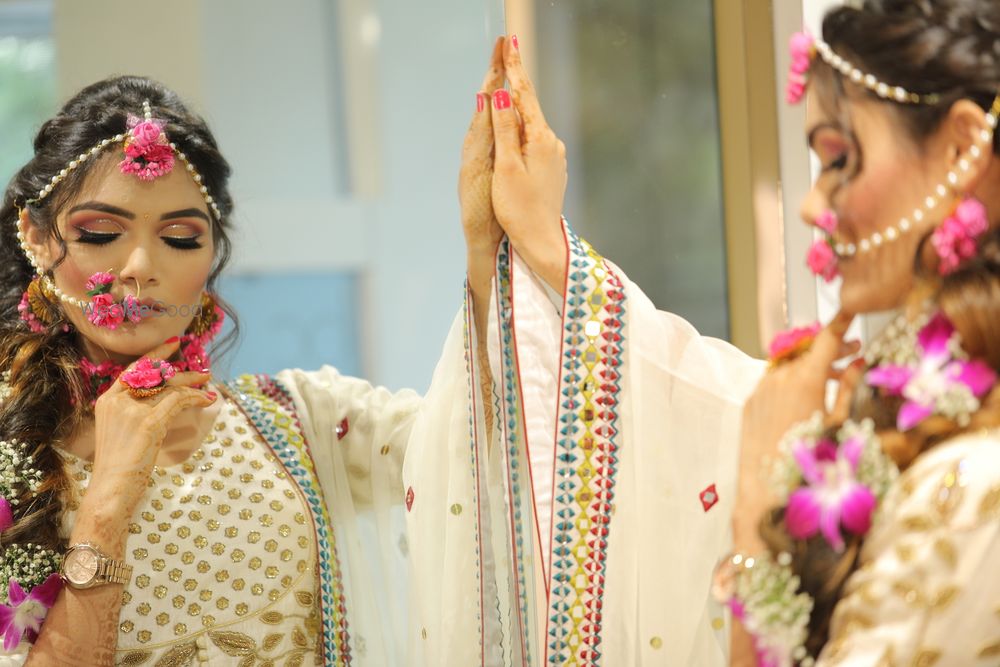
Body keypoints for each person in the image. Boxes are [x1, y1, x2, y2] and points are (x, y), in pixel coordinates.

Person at [0, 41, 510, 665]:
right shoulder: (12, 450)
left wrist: (489, 245)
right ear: (33, 234)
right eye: (101, 233)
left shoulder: (307, 423)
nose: (139, 268)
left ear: (213, 254)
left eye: (180, 238)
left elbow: (495, 438)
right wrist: (109, 497)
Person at [402, 36, 769, 665]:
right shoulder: (303, 414)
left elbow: (752, 415)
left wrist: (544, 246)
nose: (817, 200)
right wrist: (490, 257)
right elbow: (458, 456)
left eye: (840, 160)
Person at [722, 1, 1000, 664]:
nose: (813, 206)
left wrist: (759, 492)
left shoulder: (970, 487)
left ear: (963, 149)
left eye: (839, 157)